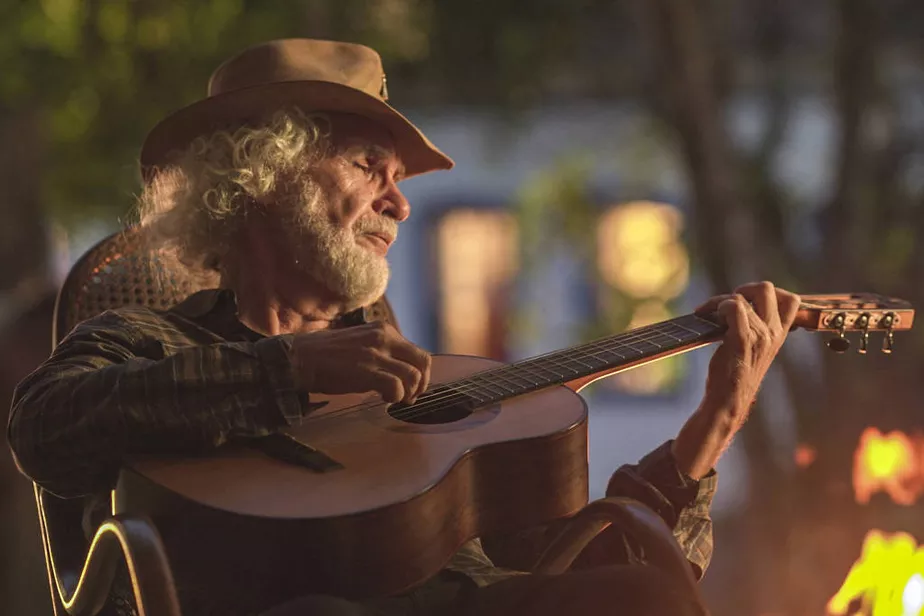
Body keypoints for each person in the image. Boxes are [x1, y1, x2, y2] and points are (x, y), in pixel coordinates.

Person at [7, 39, 801, 616]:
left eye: (398, 179)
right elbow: (45, 427)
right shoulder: (150, 342)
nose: (401, 203)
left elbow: (570, 562)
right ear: (261, 177)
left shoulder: (412, 386)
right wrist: (287, 371)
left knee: (638, 594)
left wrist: (714, 423)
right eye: (367, 167)